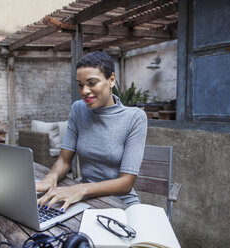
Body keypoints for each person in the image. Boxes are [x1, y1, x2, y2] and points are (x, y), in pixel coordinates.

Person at [36, 51, 147, 211]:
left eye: (92, 83)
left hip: (121, 205)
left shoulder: (134, 117)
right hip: (86, 201)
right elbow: (64, 161)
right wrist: (51, 177)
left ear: (111, 80)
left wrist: (81, 189)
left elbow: (126, 183)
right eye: (80, 85)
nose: (84, 91)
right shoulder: (78, 109)